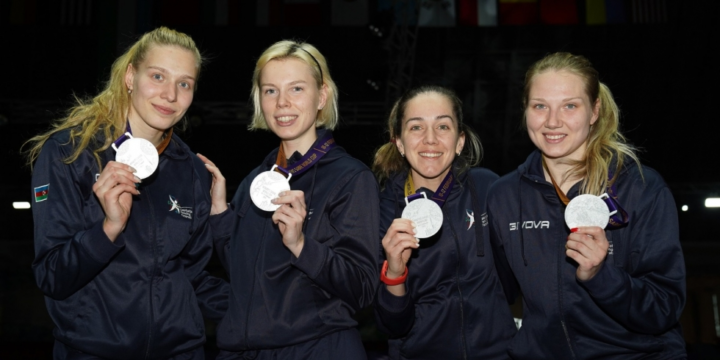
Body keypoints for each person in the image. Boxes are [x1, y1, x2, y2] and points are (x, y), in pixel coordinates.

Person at [25, 27, 228, 359]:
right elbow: (52, 276)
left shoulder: (191, 170)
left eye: (184, 83)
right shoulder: (69, 152)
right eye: (158, 76)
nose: (170, 95)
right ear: (130, 76)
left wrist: (273, 309)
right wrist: (107, 230)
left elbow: (190, 279)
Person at [487, 52, 686, 359]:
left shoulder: (639, 187)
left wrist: (602, 276)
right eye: (540, 106)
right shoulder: (504, 196)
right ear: (525, 111)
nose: (552, 121)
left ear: (594, 111)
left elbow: (664, 308)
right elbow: (494, 293)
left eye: (570, 105)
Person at [199, 40, 379, 359]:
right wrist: (219, 214)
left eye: (296, 89)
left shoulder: (350, 178)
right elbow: (244, 275)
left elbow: (362, 287)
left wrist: (300, 245)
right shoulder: (257, 180)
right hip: (246, 349)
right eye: (270, 91)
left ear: (322, 96)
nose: (282, 102)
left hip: (317, 347)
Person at [371, 85, 517, 359]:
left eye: (443, 127)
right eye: (416, 127)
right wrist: (394, 272)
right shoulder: (383, 210)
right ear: (399, 142)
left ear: (460, 141)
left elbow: (514, 283)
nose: (430, 140)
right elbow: (390, 325)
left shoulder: (488, 188)